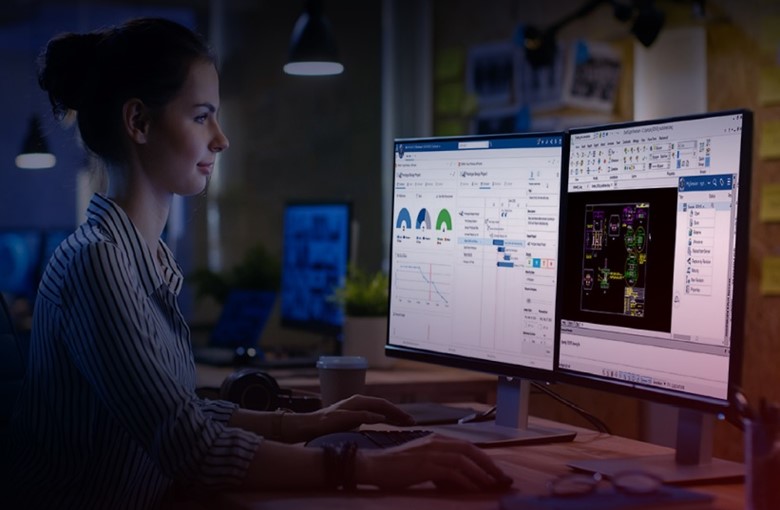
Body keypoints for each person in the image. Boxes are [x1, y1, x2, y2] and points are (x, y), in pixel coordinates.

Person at [4, 17, 510, 509]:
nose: (221, 138)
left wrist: (309, 422)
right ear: (138, 122)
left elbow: (182, 411)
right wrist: (371, 467)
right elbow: (190, 446)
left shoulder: (141, 257)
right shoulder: (98, 263)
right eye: (201, 116)